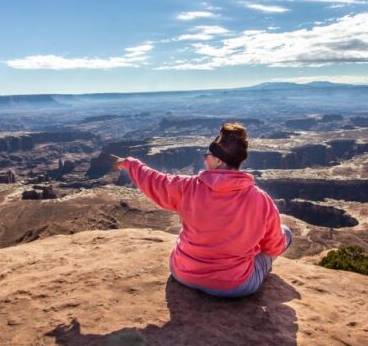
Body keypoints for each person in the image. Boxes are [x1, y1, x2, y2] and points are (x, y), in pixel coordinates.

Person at [111, 122, 292, 298]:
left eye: (208, 154)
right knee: (285, 233)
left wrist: (130, 163)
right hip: (233, 286)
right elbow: (273, 246)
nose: (205, 158)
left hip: (183, 274)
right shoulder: (261, 200)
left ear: (218, 161)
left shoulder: (188, 187)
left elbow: (155, 181)